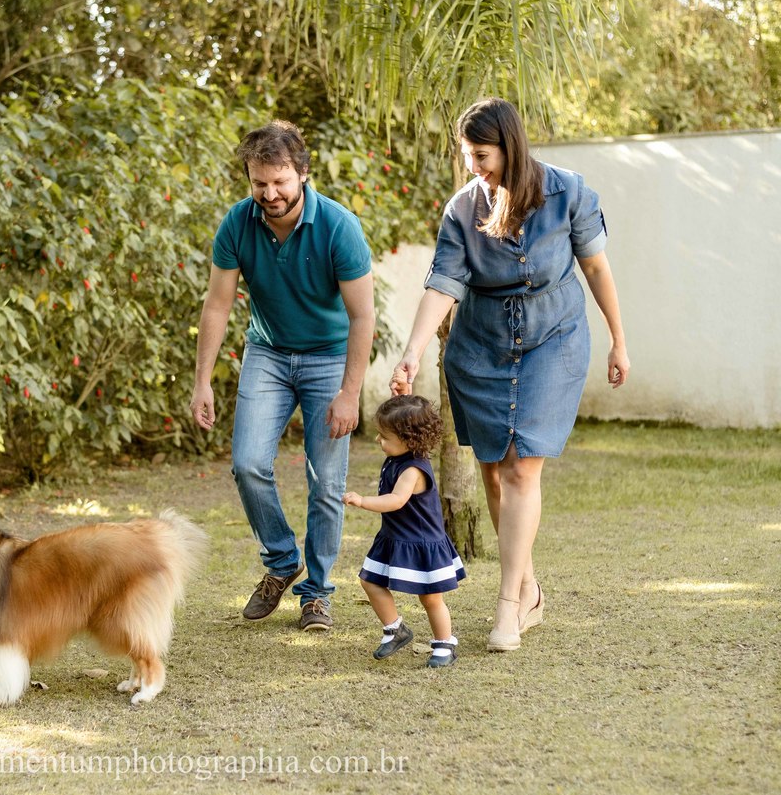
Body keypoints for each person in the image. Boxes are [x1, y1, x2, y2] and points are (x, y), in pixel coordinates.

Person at [390, 97, 630, 651]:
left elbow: (595, 266)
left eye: (482, 154)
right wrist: (411, 352)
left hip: (554, 339)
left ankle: (507, 606)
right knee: (495, 469)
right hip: (480, 346)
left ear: (510, 145)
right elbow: (442, 285)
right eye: (468, 155)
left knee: (524, 467)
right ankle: (529, 587)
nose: (474, 166)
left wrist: (620, 340)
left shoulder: (570, 192)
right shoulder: (462, 208)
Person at [189, 120, 375, 632]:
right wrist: (202, 380)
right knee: (247, 463)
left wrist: (349, 393)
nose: (269, 194)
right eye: (259, 183)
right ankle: (281, 561)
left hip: (328, 357)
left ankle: (316, 593)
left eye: (280, 182)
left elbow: (364, 317)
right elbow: (218, 306)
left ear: (303, 174)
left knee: (326, 481)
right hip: (267, 354)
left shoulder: (339, 227)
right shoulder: (237, 223)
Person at [344, 395, 465, 668]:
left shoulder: (413, 470)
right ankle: (395, 629)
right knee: (370, 581)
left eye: (384, 437)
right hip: (394, 537)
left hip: (421, 542)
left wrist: (362, 501)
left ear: (410, 441)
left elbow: (396, 500)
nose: (378, 440)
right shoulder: (397, 457)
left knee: (431, 597)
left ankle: (445, 643)